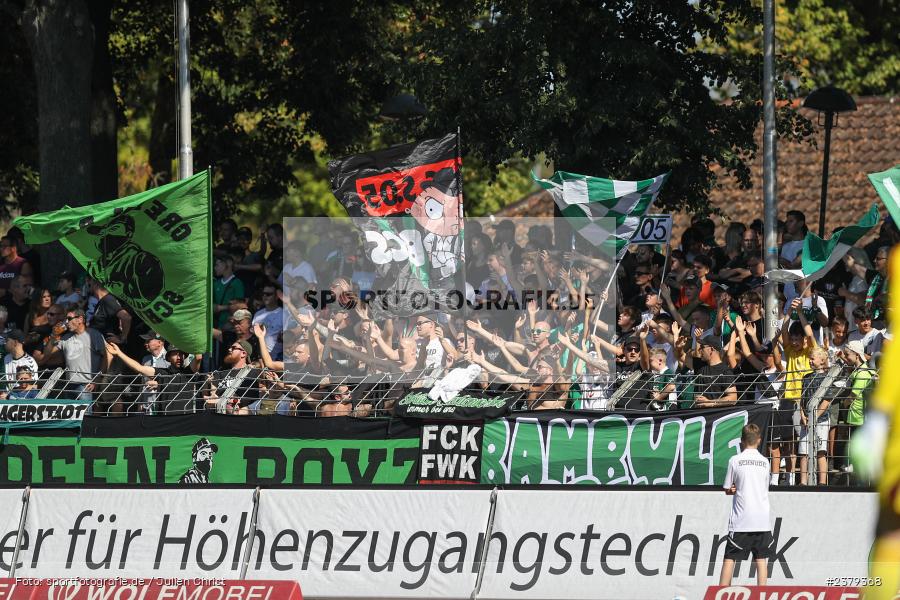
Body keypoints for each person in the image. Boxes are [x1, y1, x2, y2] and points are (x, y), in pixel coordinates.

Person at [719, 423, 772, 587]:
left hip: (742, 520)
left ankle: (720, 593)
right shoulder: (765, 462)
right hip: (762, 519)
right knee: (761, 559)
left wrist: (733, 489)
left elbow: (728, 488)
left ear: (742, 441)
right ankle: (762, 595)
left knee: (730, 558)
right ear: (759, 440)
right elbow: (764, 487)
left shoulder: (735, 460)